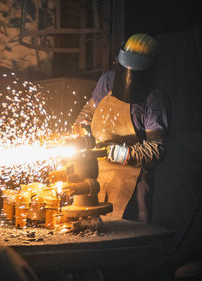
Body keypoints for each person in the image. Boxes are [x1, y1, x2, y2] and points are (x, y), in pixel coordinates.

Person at [74, 33, 170, 224]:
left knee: (132, 230)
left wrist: (120, 154)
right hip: (99, 170)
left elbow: (156, 149)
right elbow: (89, 109)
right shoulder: (107, 81)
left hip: (134, 178)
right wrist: (83, 127)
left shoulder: (155, 98)